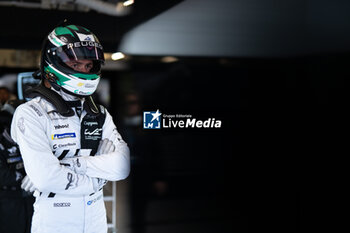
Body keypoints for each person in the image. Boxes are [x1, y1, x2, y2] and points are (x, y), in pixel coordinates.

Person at [10, 24, 130, 233]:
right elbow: (46, 178)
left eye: (87, 65)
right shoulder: (30, 113)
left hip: (96, 219)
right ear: (52, 62)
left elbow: (122, 166)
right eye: (75, 63)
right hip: (55, 221)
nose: (84, 70)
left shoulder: (99, 113)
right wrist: (98, 178)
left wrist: (73, 164)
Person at [0, 99, 34, 233]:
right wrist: (23, 176)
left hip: (30, 198)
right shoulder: (2, 144)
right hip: (8, 200)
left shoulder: (31, 142)